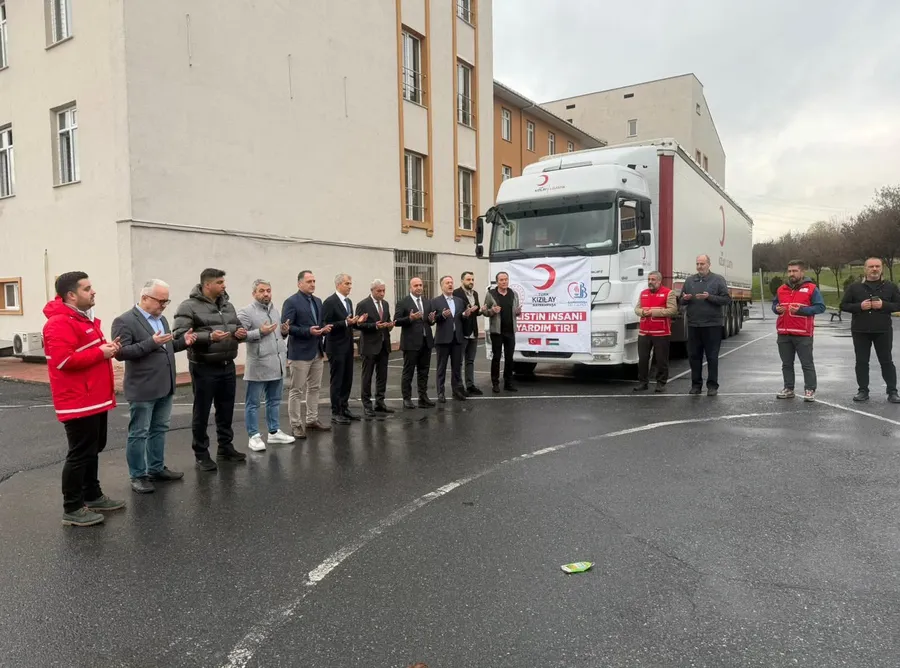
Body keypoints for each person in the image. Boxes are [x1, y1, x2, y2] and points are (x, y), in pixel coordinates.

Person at [43, 272, 126, 527]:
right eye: (87, 288)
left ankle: (92, 494)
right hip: (78, 401)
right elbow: (63, 361)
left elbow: (86, 352)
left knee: (94, 448)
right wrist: (101, 353)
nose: (93, 292)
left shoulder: (81, 318)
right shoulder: (59, 323)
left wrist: (107, 349)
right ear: (71, 295)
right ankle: (72, 507)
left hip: (95, 398)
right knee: (80, 454)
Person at [112, 279, 197, 494]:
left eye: (166, 301)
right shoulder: (124, 321)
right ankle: (138, 475)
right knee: (139, 433)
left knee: (159, 429)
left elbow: (165, 347)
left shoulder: (162, 319)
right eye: (160, 301)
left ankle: (156, 469)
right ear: (144, 298)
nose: (163, 305)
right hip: (142, 388)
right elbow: (121, 353)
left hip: (164, 385)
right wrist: (151, 343)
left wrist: (182, 342)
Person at [173, 268, 248, 471]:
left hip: (227, 365)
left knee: (226, 409)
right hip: (203, 366)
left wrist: (240, 333)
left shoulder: (227, 305)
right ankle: (201, 453)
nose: (224, 286)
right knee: (202, 411)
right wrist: (209, 337)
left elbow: (237, 327)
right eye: (220, 282)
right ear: (207, 284)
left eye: (223, 282)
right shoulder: (188, 306)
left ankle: (225, 447)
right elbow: (179, 335)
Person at [237, 279, 296, 452]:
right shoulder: (246, 312)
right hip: (258, 364)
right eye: (262, 291)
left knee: (274, 400)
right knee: (253, 403)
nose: (266, 294)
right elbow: (239, 336)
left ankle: (274, 432)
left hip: (277, 364)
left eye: (268, 290)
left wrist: (283, 332)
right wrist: (259, 332)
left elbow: (276, 336)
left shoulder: (274, 311)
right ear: (254, 293)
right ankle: (254, 436)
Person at [840, 257, 900, 403]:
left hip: (883, 331)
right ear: (865, 269)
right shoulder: (855, 287)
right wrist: (859, 306)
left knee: (886, 361)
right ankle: (863, 391)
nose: (874, 269)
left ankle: (892, 391)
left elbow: (898, 304)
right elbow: (844, 305)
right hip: (860, 331)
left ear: (881, 268)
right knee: (861, 362)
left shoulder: (890, 287)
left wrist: (883, 305)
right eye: (871, 266)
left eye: (877, 266)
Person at [282, 270, 333, 437]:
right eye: (309, 281)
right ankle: (296, 424)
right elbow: (287, 327)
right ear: (299, 284)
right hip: (299, 353)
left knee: (315, 388)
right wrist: (307, 331)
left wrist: (324, 328)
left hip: (317, 351)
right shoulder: (291, 302)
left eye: (314, 281)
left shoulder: (318, 301)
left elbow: (320, 322)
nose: (312, 284)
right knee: (296, 390)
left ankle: (312, 420)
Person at [772, 260, 826, 402]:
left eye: (795, 271)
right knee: (786, 364)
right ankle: (788, 388)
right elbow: (775, 304)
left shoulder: (811, 288)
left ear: (802, 272)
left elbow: (820, 307)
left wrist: (802, 310)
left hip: (803, 334)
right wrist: (776, 309)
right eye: (789, 271)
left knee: (806, 364)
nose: (792, 273)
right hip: (784, 333)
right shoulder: (781, 289)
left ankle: (810, 389)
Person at [680, 254, 732, 396]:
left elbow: (726, 300)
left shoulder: (717, 280)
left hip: (712, 325)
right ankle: (696, 385)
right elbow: (681, 301)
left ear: (709, 264)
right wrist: (685, 299)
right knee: (694, 357)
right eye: (697, 264)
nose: (699, 266)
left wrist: (709, 297)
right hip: (694, 325)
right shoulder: (690, 281)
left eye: (702, 264)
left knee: (712, 357)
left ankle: (712, 386)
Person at [321, 273, 368, 424]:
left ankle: (344, 408)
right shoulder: (330, 302)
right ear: (338, 284)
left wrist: (357, 322)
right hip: (335, 346)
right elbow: (325, 324)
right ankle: (336, 412)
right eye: (347, 284)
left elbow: (350, 323)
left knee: (347, 379)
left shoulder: (348, 302)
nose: (350, 287)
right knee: (337, 380)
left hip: (348, 346)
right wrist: (346, 323)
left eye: (350, 284)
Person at [355, 279, 395, 417]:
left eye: (384, 291)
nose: (382, 293)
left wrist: (390, 325)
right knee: (367, 376)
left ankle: (380, 402)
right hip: (369, 345)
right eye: (379, 291)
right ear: (372, 290)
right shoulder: (363, 305)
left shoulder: (385, 304)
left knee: (382, 375)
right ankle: (367, 405)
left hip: (384, 344)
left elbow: (387, 321)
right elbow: (358, 325)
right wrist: (374, 326)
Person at [395, 277, 437, 409]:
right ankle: (406, 399)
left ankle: (423, 397)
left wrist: (432, 320)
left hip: (426, 341)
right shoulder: (403, 302)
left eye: (420, 285)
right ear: (410, 287)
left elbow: (429, 321)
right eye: (416, 285)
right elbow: (396, 321)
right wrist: (410, 318)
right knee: (408, 372)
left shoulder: (427, 302)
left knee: (424, 371)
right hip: (411, 343)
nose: (419, 288)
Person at [633, 270, 678, 393]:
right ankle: (643, 382)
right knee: (643, 359)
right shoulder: (643, 293)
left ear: (659, 281)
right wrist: (642, 312)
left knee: (661, 360)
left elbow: (672, 310)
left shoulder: (668, 293)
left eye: (653, 280)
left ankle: (661, 383)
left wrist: (653, 312)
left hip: (661, 332)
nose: (650, 282)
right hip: (644, 332)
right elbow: (637, 309)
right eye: (649, 279)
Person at [434, 275, 477, 402]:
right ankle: (440, 392)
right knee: (441, 368)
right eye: (447, 283)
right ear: (441, 286)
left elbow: (461, 318)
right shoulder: (436, 301)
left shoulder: (459, 301)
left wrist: (465, 314)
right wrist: (442, 315)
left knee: (456, 368)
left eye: (451, 282)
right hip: (443, 339)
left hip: (457, 339)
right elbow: (432, 319)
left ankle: (456, 391)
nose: (450, 285)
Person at [482, 271, 521, 393]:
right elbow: (485, 312)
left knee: (509, 358)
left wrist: (518, 312)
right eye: (502, 280)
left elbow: (516, 312)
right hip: (497, 332)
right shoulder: (491, 294)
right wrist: (492, 311)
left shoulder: (513, 294)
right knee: (496, 358)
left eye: (506, 279)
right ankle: (495, 383)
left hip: (510, 331)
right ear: (497, 282)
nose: (504, 282)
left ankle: (508, 383)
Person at [453, 271, 483, 395]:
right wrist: (465, 313)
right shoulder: (456, 293)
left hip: (473, 332)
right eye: (468, 279)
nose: (471, 282)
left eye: (472, 280)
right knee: (459, 361)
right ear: (462, 281)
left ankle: (470, 385)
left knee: (470, 361)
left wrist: (481, 310)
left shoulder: (475, 293)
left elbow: (476, 312)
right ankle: (459, 387)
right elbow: (455, 313)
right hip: (462, 332)